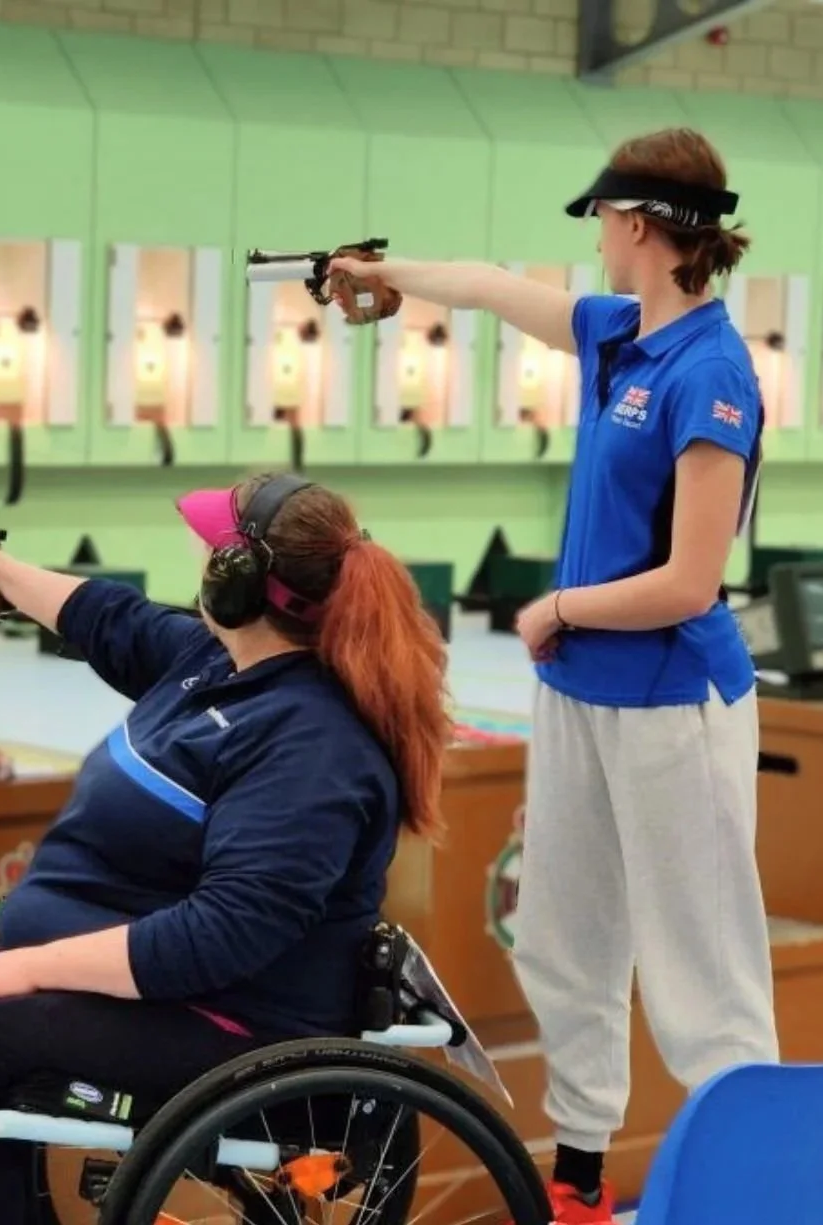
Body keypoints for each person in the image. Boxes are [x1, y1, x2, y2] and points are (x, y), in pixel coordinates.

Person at [325, 127, 777, 1223]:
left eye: (601, 223)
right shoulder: (618, 333)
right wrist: (377, 274)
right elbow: (483, 287)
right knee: (566, 942)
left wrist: (555, 605)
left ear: (633, 225)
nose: (595, 242)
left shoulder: (710, 371)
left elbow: (689, 581)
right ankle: (579, 1179)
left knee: (700, 976)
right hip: (577, 695)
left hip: (672, 700)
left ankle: (760, 1188)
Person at [0, 473, 451, 1224]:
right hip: (178, 997)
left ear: (240, 584)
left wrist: (25, 964)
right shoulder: (218, 662)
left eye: (210, 553)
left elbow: (218, 936)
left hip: (237, 1026)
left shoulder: (309, 744)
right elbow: (109, 618)